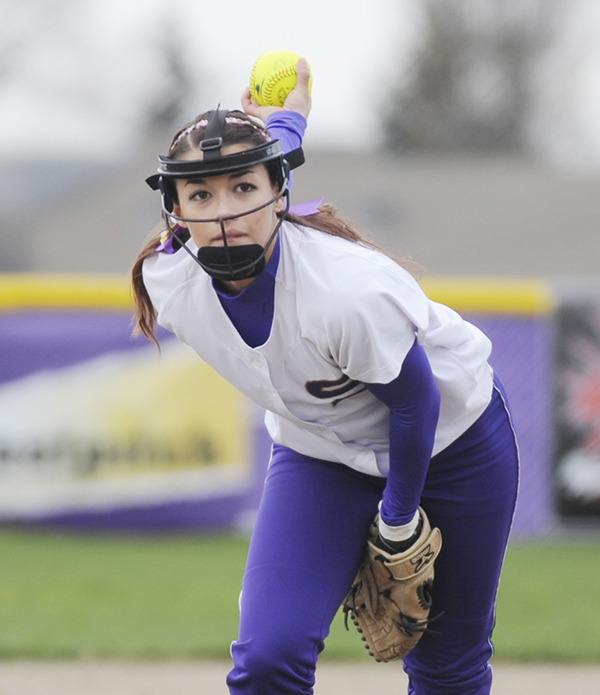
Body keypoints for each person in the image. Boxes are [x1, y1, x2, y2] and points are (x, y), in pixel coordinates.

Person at [131, 58, 519, 695]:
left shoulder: (346, 291)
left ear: (279, 194)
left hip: (453, 443)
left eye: (244, 188)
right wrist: (279, 133)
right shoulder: (168, 281)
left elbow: (415, 404)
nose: (224, 212)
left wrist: (397, 524)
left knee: (448, 666)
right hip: (318, 454)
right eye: (200, 195)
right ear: (174, 211)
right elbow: (228, 200)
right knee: (267, 658)